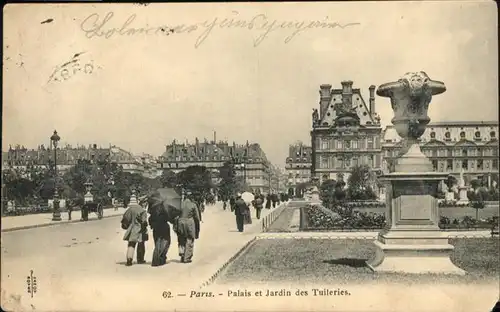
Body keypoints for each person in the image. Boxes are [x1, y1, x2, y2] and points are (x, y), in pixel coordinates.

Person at [121, 202, 149, 266]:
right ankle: (140, 259)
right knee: (141, 244)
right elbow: (144, 222)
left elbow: (126, 218)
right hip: (140, 229)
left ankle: (129, 259)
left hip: (132, 228)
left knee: (131, 244)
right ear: (143, 203)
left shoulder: (131, 209)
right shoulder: (143, 211)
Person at [176, 195, 201, 263]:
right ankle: (187, 257)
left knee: (181, 239)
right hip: (189, 223)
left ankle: (182, 255)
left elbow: (176, 215)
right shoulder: (193, 205)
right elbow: (197, 217)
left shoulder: (180, 204)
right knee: (190, 239)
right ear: (191, 197)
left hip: (180, 222)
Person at [148, 201, 171, 267]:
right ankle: (161, 258)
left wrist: (152, 225)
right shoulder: (165, 211)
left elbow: (150, 219)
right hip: (164, 228)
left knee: (157, 244)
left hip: (156, 229)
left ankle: (156, 260)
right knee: (166, 243)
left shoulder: (153, 211)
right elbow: (168, 218)